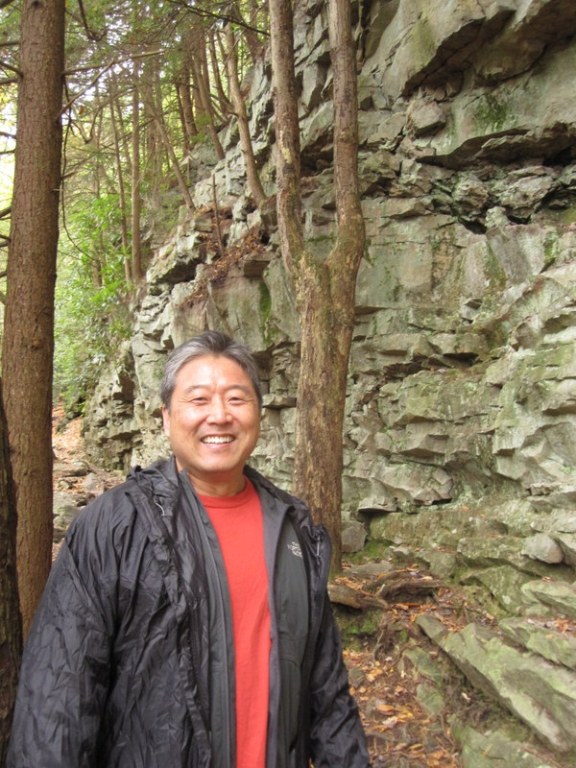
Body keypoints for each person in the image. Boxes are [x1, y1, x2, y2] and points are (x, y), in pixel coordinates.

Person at [8, 330, 371, 768]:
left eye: (236, 399)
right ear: (166, 417)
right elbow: (58, 701)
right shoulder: (114, 526)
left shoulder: (294, 532)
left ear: (258, 411)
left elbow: (328, 697)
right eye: (198, 400)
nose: (219, 415)